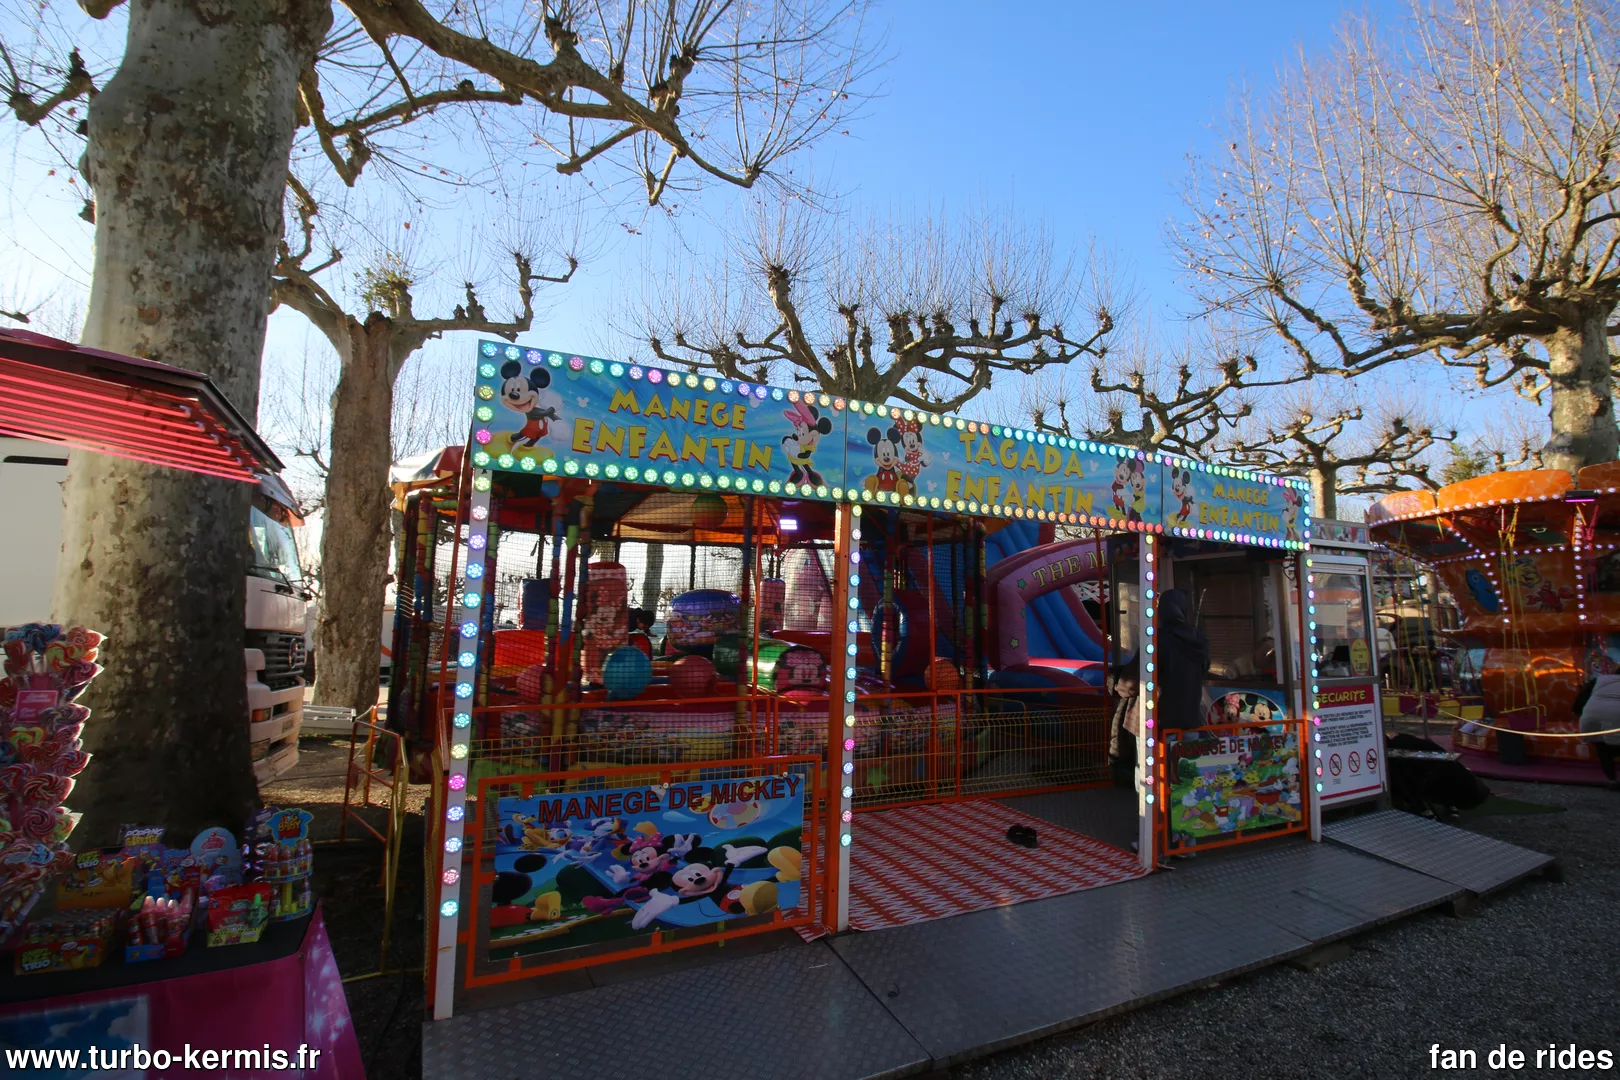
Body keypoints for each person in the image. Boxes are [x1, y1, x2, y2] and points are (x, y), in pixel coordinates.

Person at [1156, 588, 1210, 730]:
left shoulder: (1160, 639)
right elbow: (1205, 669)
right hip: (1191, 719)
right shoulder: (1198, 638)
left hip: (1164, 721)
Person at [1574, 674, 1620, 791]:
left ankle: (1612, 780)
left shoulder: (1599, 680)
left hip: (1592, 716)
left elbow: (1579, 703)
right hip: (1616, 716)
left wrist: (1579, 713)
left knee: (1602, 747)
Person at [1106, 656, 1140, 786]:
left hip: (1154, 721)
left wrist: (1117, 687)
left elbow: (1128, 685)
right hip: (1190, 720)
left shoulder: (1158, 649)